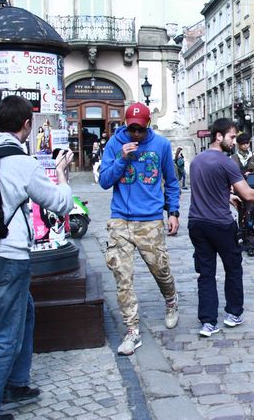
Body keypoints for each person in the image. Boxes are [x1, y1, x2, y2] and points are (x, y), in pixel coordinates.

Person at [0, 96, 74, 420]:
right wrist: (61, 172)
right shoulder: (22, 163)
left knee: (26, 310)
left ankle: (17, 383)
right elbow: (60, 203)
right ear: (26, 125)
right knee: (6, 336)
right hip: (9, 256)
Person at [99, 102, 181, 356]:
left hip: (150, 220)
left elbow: (171, 181)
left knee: (160, 269)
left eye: (140, 130)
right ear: (126, 125)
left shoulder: (161, 145)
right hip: (120, 219)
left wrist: (173, 212)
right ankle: (132, 330)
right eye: (131, 129)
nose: (135, 134)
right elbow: (104, 181)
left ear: (148, 125)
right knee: (122, 277)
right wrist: (122, 159)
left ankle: (171, 300)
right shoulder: (114, 144)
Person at [188, 118, 254, 337]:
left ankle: (208, 322)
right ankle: (234, 313)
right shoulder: (226, 162)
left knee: (206, 273)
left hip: (197, 223)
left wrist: (227, 196)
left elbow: (207, 188)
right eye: (231, 137)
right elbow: (247, 194)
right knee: (233, 268)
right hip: (220, 224)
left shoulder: (196, 161)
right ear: (218, 136)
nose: (234, 141)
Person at [231, 133, 254, 257]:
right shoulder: (233, 158)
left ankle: (250, 245)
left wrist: (253, 174)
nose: (245, 146)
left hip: (250, 190)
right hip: (238, 191)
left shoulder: (253, 157)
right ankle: (243, 241)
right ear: (239, 145)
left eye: (247, 143)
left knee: (250, 216)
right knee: (241, 215)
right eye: (243, 144)